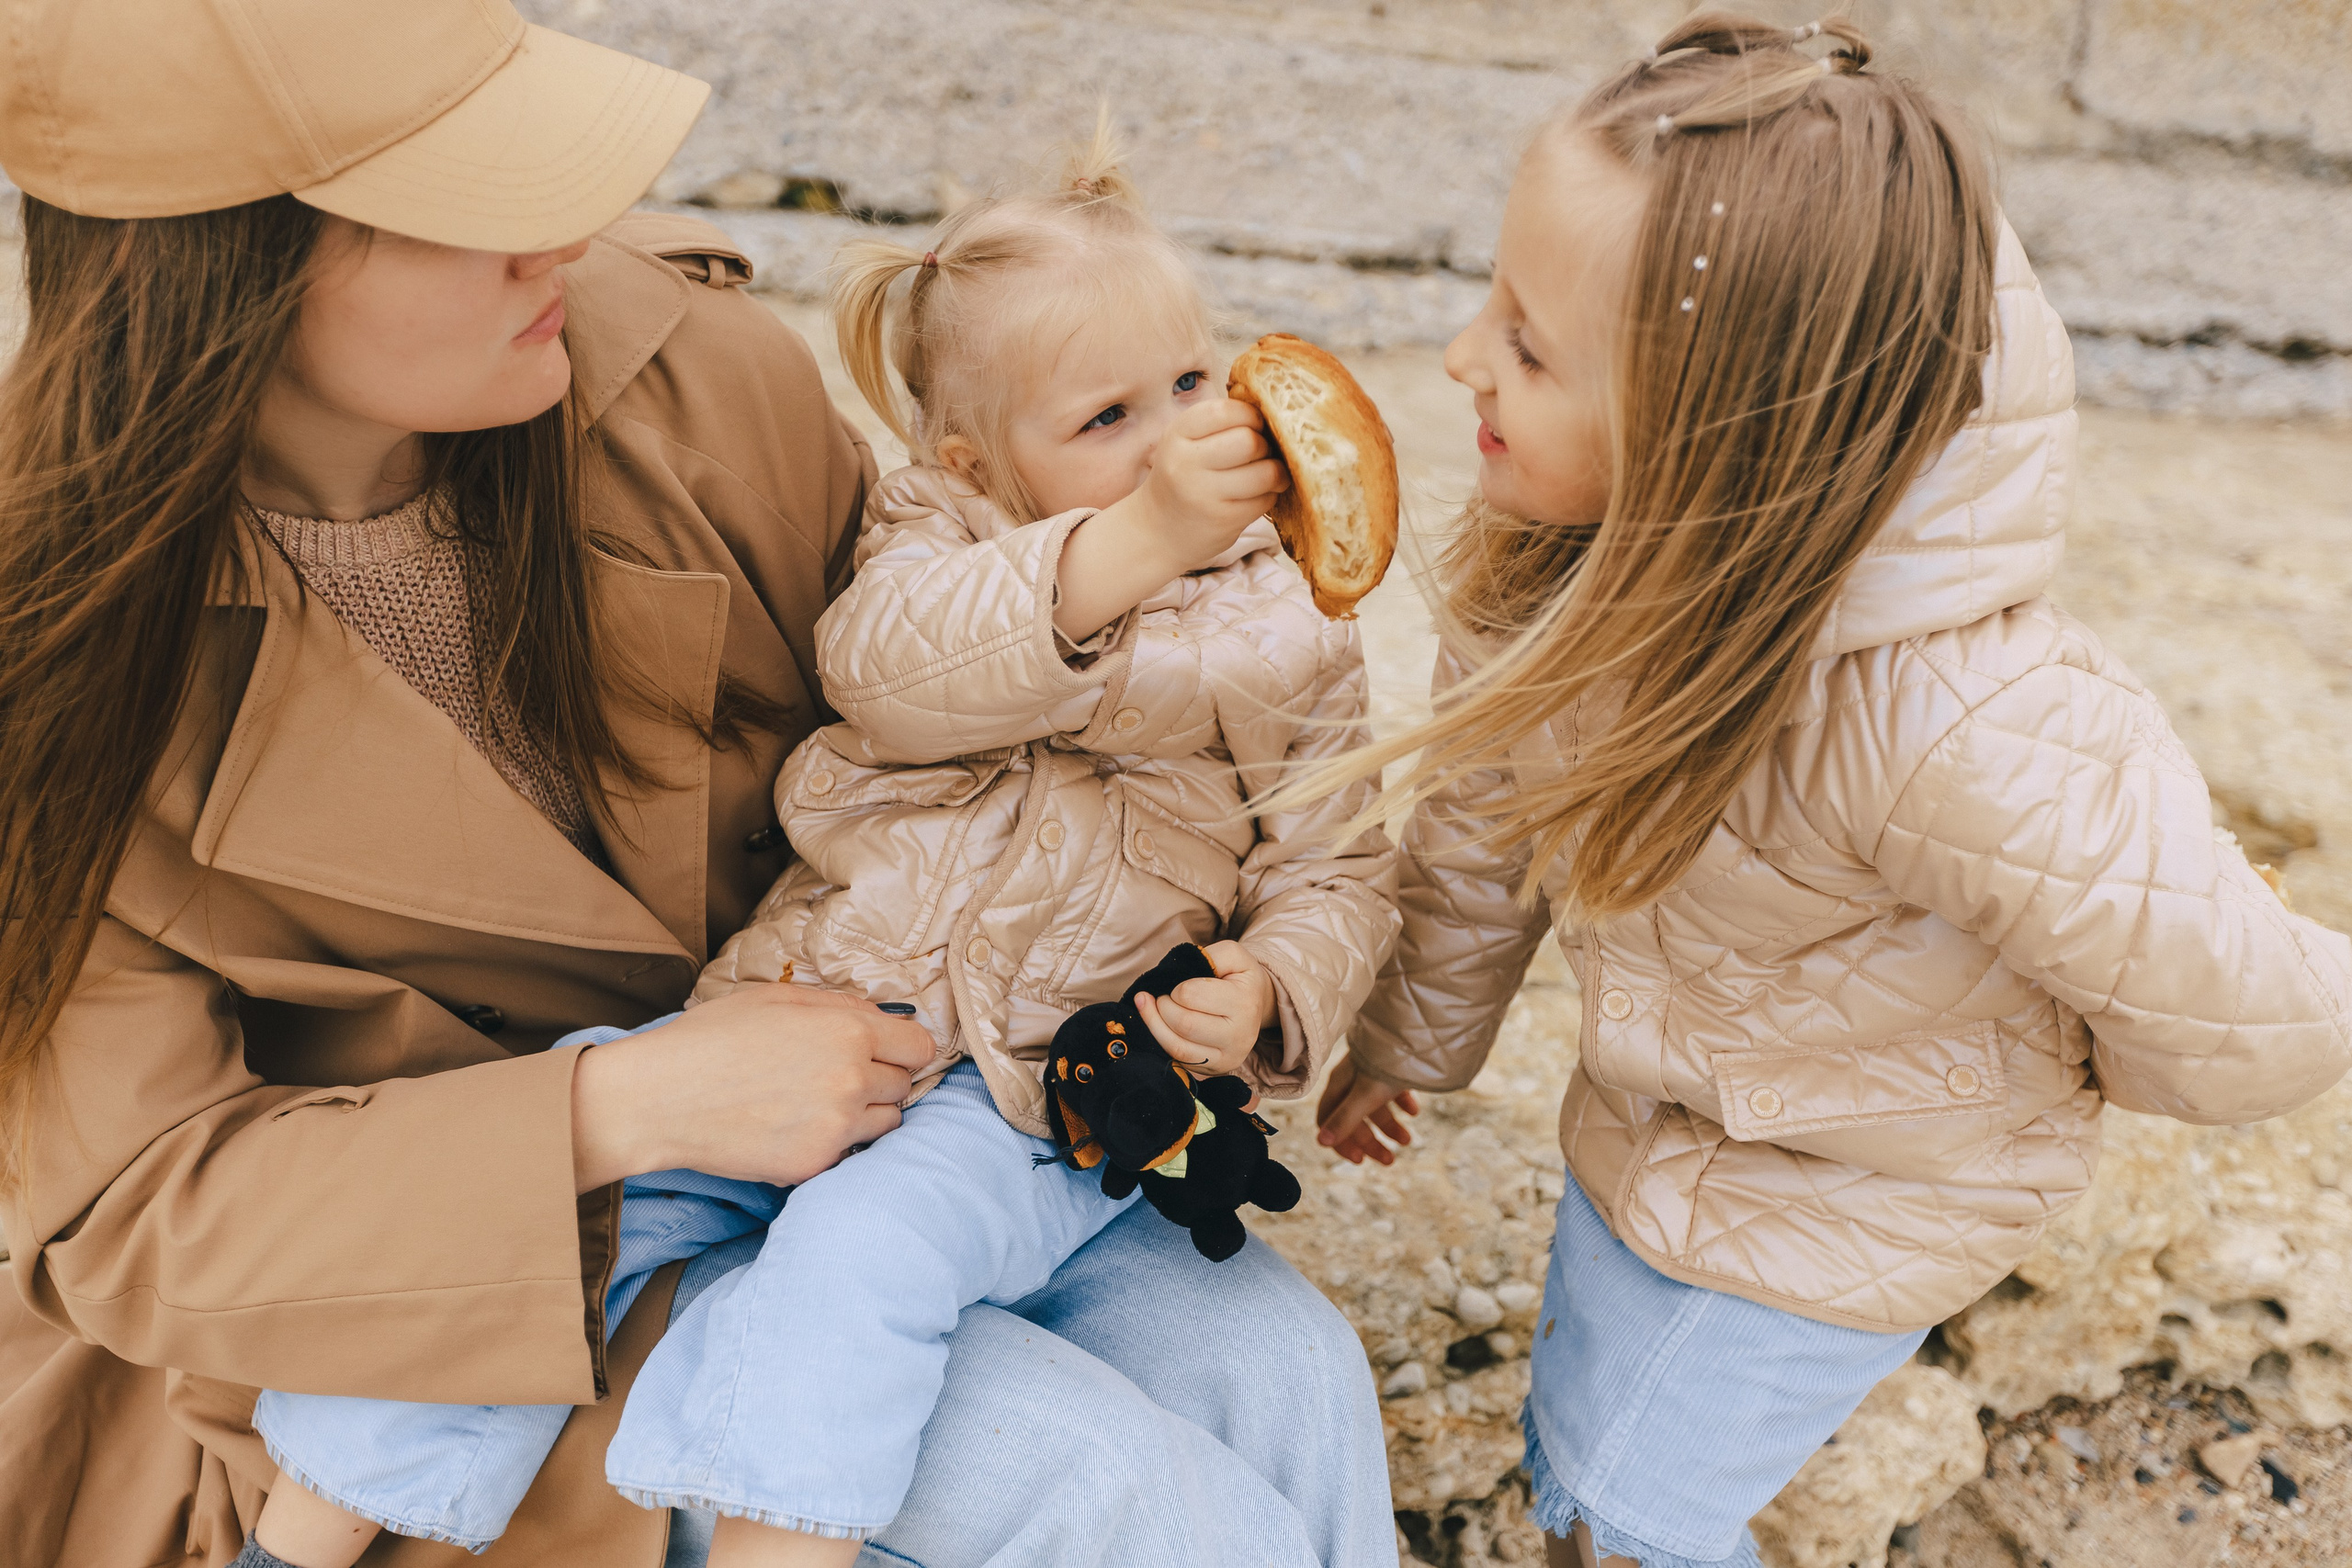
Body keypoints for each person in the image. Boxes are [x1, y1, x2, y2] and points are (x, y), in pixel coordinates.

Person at [0, 5, 1395, 1565]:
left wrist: (1254, 973)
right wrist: (623, 1103)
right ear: (229, 264)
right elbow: (133, 1215)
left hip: (912, 1110)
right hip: (449, 1291)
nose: (563, 233)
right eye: (471, 203)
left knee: (1286, 1374)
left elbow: (961, 721)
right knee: (1124, 1505)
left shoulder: (697, 380)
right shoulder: (48, 644)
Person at [1306, 14, 2352, 1568]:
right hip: (1661, 1123)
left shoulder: (1956, 723)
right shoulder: (1550, 574)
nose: (1463, 358)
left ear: (1714, 435)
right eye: (1493, 307)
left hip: (1885, 1178)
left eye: (1528, 345)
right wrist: (1410, 1035)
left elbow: (2265, 1017)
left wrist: (2079, 1042)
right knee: (1575, 1450)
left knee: (1626, 1507)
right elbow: (1477, 824)